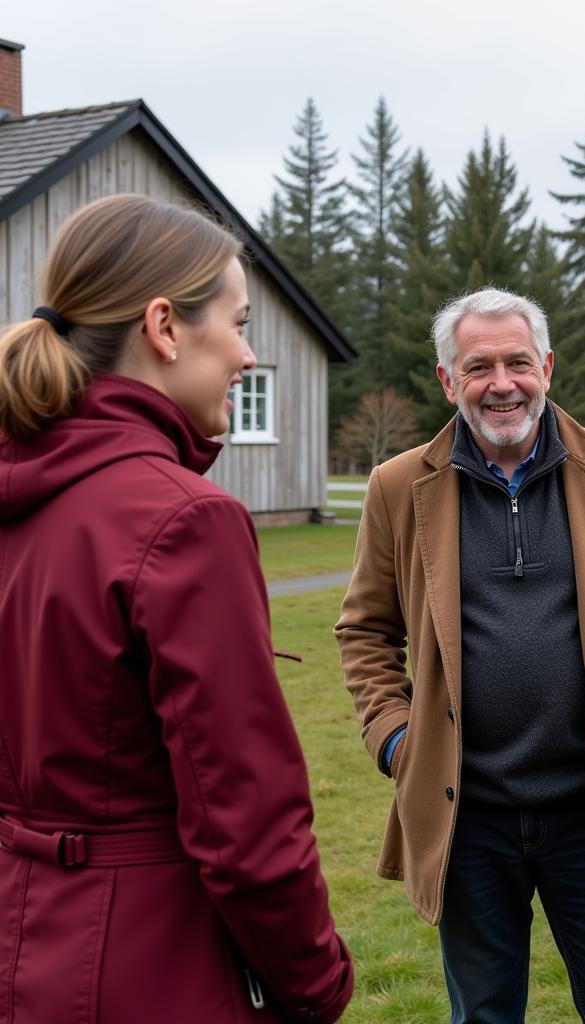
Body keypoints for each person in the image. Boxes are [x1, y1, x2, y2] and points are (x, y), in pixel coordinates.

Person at [0, 194, 353, 1022]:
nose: (248, 353)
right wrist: (316, 982)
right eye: (236, 320)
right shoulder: (183, 520)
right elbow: (246, 824)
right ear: (164, 327)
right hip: (150, 964)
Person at [336, 286, 585, 1023]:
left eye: (516, 362)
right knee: (483, 1016)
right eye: (478, 367)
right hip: (465, 816)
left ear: (547, 367)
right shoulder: (399, 485)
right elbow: (366, 630)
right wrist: (397, 740)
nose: (500, 384)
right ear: (449, 381)